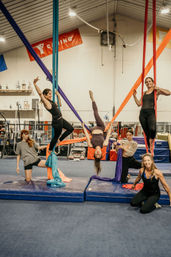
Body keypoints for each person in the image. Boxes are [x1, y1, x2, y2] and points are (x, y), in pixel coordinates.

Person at [33, 77, 74, 152]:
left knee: (71, 129)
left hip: (60, 119)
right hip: (57, 122)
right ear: (45, 95)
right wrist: (35, 84)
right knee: (55, 136)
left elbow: (60, 105)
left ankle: (59, 140)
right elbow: (40, 93)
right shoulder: (46, 103)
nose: (50, 95)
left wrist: (58, 95)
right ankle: (51, 149)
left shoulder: (51, 101)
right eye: (49, 94)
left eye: (51, 94)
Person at [133, 77, 171, 153]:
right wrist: (134, 96)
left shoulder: (156, 91)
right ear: (145, 84)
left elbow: (169, 93)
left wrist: (158, 88)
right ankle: (149, 150)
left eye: (149, 81)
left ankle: (151, 144)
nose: (148, 83)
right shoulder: (144, 93)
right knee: (146, 133)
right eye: (146, 82)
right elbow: (139, 104)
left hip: (151, 112)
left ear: (153, 82)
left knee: (152, 129)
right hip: (143, 113)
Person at [82, 90, 112, 174]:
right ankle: (92, 99)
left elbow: (87, 136)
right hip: (101, 127)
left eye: (96, 154)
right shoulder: (104, 144)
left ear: (94, 153)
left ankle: (92, 99)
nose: (98, 153)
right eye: (99, 154)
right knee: (96, 114)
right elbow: (108, 135)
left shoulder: (91, 145)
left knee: (94, 115)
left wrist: (83, 127)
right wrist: (111, 126)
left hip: (91, 130)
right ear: (101, 153)